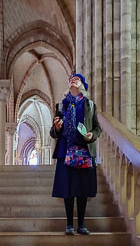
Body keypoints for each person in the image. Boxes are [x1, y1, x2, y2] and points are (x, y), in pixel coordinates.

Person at [50, 73, 102, 235]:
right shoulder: (61, 105)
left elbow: (97, 128)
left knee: (82, 190)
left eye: (77, 78)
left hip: (84, 152)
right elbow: (54, 132)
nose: (73, 79)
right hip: (65, 151)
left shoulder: (89, 105)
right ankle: (69, 225)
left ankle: (81, 224)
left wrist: (92, 135)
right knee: (67, 189)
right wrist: (57, 128)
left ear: (83, 85)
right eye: (71, 78)